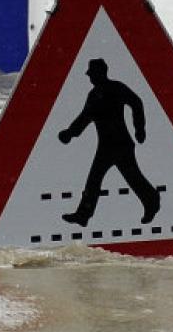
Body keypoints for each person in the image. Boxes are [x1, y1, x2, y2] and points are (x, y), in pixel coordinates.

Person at [58, 58, 160, 226]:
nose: (90, 78)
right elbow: (84, 118)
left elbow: (136, 102)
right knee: (95, 180)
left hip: (121, 144)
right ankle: (83, 215)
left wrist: (139, 128)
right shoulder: (93, 95)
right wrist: (70, 133)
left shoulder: (116, 88)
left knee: (132, 178)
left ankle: (152, 200)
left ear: (100, 73)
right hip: (106, 146)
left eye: (92, 74)